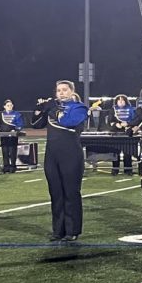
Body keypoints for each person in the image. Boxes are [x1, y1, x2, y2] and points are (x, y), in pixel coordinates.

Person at [34, 81, 88, 242]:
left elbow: (68, 122)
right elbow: (36, 124)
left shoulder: (79, 108)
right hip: (52, 155)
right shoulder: (53, 108)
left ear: (72, 91)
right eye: (58, 91)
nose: (61, 93)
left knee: (71, 192)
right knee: (55, 192)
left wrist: (53, 109)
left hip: (71, 154)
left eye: (65, 90)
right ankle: (58, 230)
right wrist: (39, 109)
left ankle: (72, 230)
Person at [107, 94, 136, 175]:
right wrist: (116, 124)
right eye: (119, 100)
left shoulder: (131, 109)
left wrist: (128, 124)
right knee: (115, 152)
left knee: (128, 152)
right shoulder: (113, 109)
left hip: (128, 132)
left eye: (122, 100)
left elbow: (134, 119)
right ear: (116, 102)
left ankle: (128, 170)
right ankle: (115, 169)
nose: (120, 102)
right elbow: (110, 120)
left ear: (126, 101)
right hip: (116, 132)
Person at [0, 100, 24, 173]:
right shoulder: (1, 114)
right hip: (4, 135)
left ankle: (13, 166)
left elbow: (20, 124)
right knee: (5, 151)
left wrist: (15, 130)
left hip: (13, 136)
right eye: (8, 105)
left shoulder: (17, 114)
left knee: (12, 151)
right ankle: (6, 166)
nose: (9, 107)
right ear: (4, 106)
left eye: (11, 105)